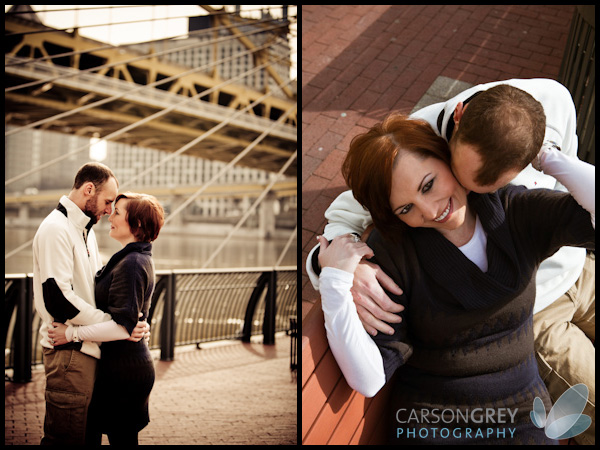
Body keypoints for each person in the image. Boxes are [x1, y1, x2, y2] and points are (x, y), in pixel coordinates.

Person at [306, 79, 595, 444]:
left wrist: (547, 156)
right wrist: (334, 275)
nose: (431, 211)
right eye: (407, 207)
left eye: (429, 185)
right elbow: (369, 377)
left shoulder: (514, 207)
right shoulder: (397, 243)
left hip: (523, 407)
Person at [33, 162, 149, 445]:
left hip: (89, 351)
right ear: (88, 190)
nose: (109, 210)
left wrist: (130, 321)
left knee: (86, 437)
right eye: (108, 201)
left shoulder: (88, 231)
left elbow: (95, 292)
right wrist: (117, 325)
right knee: (66, 438)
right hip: (69, 353)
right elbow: (58, 299)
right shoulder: (55, 229)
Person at [49, 192, 165, 445]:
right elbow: (131, 317)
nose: (110, 216)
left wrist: (70, 334)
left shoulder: (133, 263)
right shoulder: (131, 257)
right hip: (117, 366)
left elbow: (123, 327)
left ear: (138, 225)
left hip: (124, 372)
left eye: (118, 213)